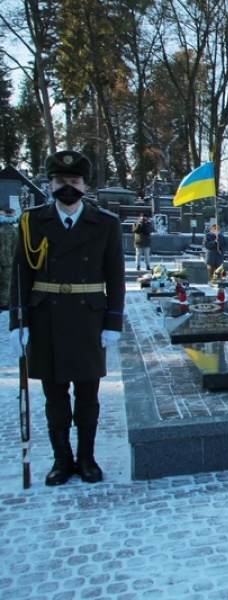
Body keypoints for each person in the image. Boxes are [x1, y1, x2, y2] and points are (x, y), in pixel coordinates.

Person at [9, 150, 125, 486]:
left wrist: (113, 322)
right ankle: (62, 460)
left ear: (85, 185)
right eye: (60, 181)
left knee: (88, 396)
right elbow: (20, 274)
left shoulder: (105, 223)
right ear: (50, 184)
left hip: (88, 320)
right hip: (47, 318)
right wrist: (18, 322)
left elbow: (116, 277)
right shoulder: (32, 221)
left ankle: (87, 458)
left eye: (74, 181)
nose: (68, 187)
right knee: (55, 397)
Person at [0, 208, 19, 310]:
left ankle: (4, 302)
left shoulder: (10, 228)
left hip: (7, 259)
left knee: (6, 282)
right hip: (7, 260)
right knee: (6, 282)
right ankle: (3, 302)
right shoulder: (9, 229)